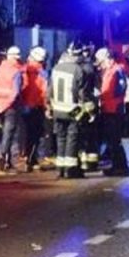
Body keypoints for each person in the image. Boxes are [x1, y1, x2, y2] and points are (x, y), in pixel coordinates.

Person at [49, 43, 89, 179]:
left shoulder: (56, 68)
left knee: (60, 138)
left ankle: (60, 169)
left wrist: (50, 106)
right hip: (72, 110)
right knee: (72, 138)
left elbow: (50, 90)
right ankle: (70, 169)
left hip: (57, 109)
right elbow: (82, 93)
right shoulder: (77, 70)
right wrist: (86, 109)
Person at [0, 46, 24, 171]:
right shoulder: (16, 72)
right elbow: (15, 92)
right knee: (8, 135)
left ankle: (6, 161)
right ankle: (5, 161)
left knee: (5, 133)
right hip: (10, 108)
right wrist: (5, 105)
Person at [95, 48, 129, 176]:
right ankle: (117, 166)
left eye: (101, 62)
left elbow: (117, 90)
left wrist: (101, 95)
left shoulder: (116, 71)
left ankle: (121, 167)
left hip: (114, 110)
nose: (100, 66)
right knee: (112, 141)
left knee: (115, 141)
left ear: (108, 59)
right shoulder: (109, 71)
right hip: (109, 109)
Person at [19, 46, 49, 172]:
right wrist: (47, 107)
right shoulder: (42, 72)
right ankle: (31, 159)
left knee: (25, 133)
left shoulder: (22, 69)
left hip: (23, 105)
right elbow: (45, 92)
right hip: (36, 106)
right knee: (35, 134)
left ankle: (25, 156)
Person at [78, 43, 101, 172]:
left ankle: (82, 161)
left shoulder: (77, 68)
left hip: (79, 106)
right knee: (91, 134)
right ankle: (92, 162)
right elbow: (97, 88)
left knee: (80, 134)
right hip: (90, 105)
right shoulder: (91, 68)